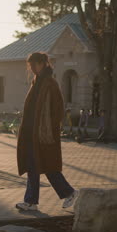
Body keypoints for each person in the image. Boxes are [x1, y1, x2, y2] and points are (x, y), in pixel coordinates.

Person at [16, 52, 78, 211]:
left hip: (43, 134)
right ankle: (32, 202)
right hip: (32, 132)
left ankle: (68, 193)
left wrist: (49, 128)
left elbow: (58, 110)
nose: (31, 68)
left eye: (34, 64)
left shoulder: (50, 83)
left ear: (43, 63)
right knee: (35, 166)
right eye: (30, 65)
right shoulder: (36, 82)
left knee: (47, 166)